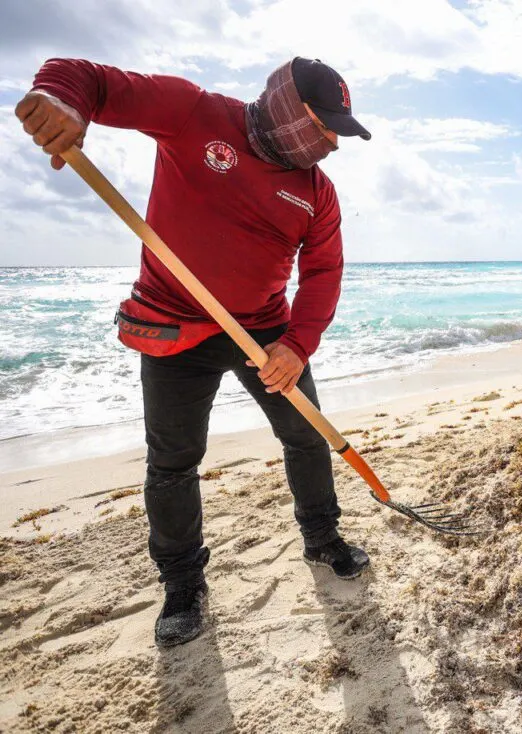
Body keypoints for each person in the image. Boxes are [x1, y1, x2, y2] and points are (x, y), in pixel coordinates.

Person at [16, 56, 373, 647]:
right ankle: (182, 585)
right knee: (173, 462)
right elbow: (88, 78)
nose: (333, 142)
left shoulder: (317, 191)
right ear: (289, 108)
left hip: (263, 334)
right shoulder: (195, 113)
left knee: (307, 435)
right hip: (174, 330)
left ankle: (321, 537)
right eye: (325, 125)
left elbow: (324, 273)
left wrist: (295, 345)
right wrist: (63, 103)